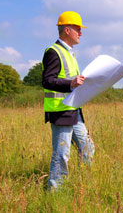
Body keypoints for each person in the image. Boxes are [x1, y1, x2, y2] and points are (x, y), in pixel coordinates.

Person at [42, 11, 95, 190]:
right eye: (78, 29)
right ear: (67, 30)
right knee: (61, 154)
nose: (81, 33)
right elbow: (47, 80)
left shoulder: (69, 53)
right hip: (60, 111)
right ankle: (55, 192)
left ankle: (83, 184)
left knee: (87, 147)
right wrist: (70, 83)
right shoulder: (53, 52)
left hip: (74, 110)